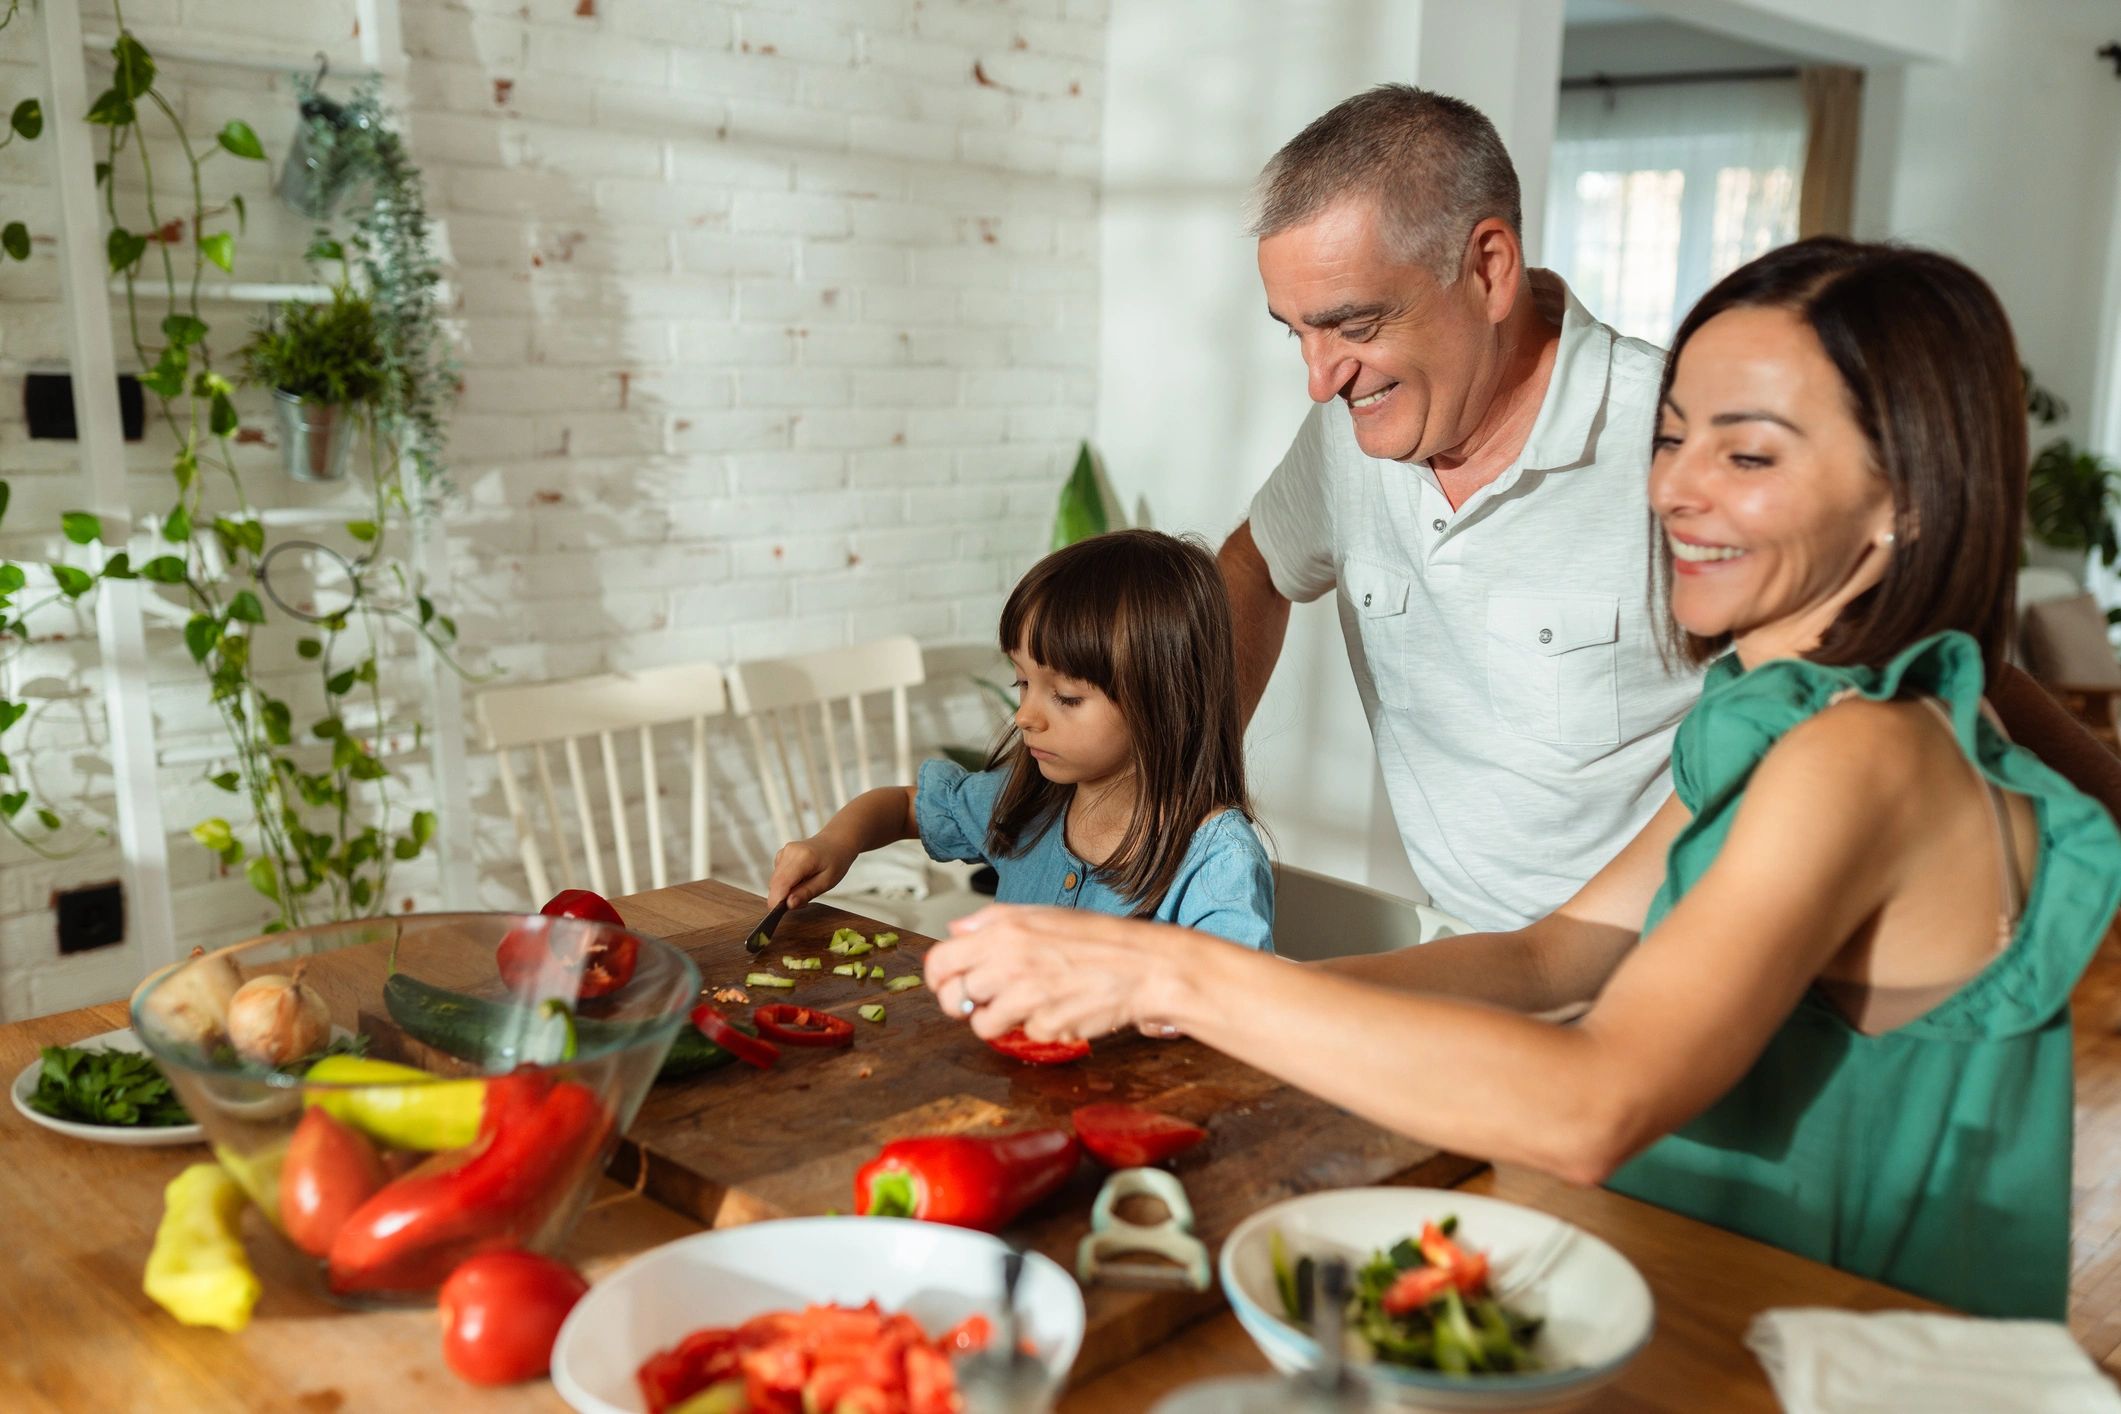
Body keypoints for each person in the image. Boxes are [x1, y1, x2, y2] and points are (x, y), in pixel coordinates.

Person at [925, 239, 2121, 1319]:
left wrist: (1172, 971)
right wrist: (1227, 998)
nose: (1675, 489)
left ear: (1903, 500)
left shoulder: (1860, 753)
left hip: (1818, 1346)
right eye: (1671, 434)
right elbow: (1554, 954)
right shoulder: (1769, 716)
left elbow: (1592, 1103)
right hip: (1704, 1303)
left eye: (1746, 451)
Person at [1224, 83, 2121, 933]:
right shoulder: (1355, 430)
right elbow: (1256, 561)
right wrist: (1185, 796)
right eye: (1294, 330)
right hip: (1484, 954)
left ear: (1489, 269)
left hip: (1670, 967)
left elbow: (1941, 658)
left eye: (1354, 324)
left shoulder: (1682, 446)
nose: (1318, 378)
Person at [765, 529, 1275, 951]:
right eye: (1023, 683)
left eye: (1068, 697)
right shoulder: (1032, 803)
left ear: (1168, 699)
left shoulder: (1216, 861)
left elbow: (1234, 1012)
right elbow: (903, 808)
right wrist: (834, 842)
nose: (1025, 715)